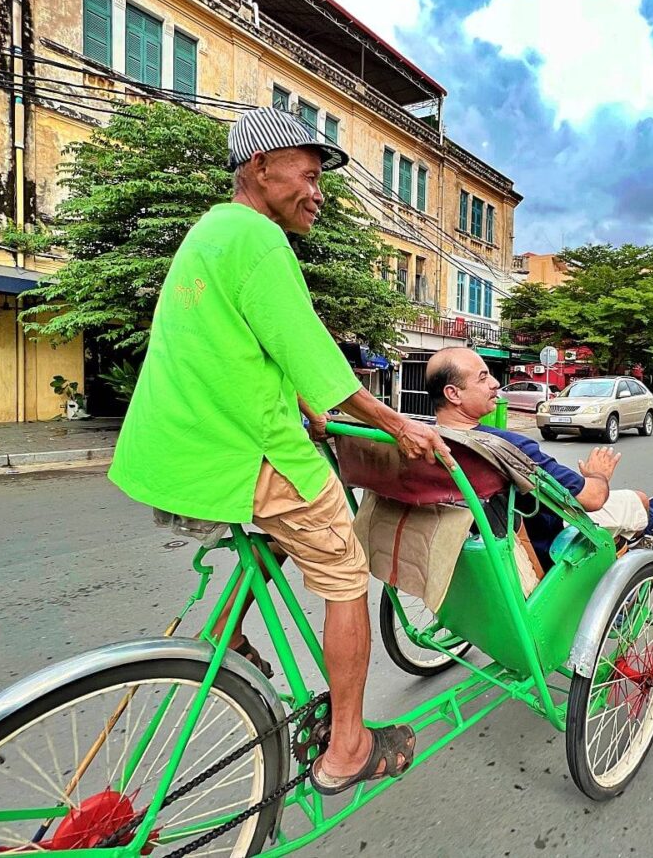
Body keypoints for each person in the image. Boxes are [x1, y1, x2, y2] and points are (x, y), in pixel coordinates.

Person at [109, 107, 453, 795]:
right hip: (245, 448)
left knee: (271, 543)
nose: (318, 191)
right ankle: (349, 749)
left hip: (180, 453)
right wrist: (398, 425)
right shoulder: (260, 241)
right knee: (345, 573)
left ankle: (225, 638)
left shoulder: (210, 233)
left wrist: (309, 408)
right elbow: (313, 354)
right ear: (260, 168)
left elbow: (249, 346)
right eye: (309, 171)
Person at [427, 347, 653, 562]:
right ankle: (626, 548)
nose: (495, 384)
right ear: (453, 394)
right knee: (641, 500)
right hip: (546, 542)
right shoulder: (504, 446)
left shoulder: (424, 446)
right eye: (483, 377)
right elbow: (592, 498)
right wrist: (598, 475)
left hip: (460, 548)